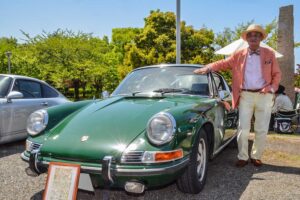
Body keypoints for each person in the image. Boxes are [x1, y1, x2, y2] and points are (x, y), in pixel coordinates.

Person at [194, 24, 281, 167]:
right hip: (245, 95)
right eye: (250, 35)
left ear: (260, 38)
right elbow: (223, 63)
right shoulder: (238, 54)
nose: (253, 37)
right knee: (243, 127)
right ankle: (242, 156)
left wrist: (272, 88)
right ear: (246, 38)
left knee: (261, 128)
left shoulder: (269, 53)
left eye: (257, 35)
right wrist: (207, 67)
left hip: (264, 95)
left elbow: (277, 74)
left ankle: (256, 156)